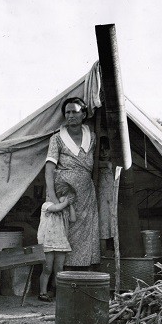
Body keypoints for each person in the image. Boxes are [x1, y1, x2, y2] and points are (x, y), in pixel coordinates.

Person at [45, 96, 101, 270]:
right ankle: (63, 275)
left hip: (86, 194)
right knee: (64, 232)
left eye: (74, 112)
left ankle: (83, 272)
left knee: (86, 234)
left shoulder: (91, 137)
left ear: (83, 114)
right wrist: (54, 199)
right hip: (64, 195)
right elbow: (49, 169)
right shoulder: (57, 139)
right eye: (67, 112)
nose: (70, 116)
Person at [36, 181, 76, 302]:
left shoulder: (64, 208)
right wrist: (65, 202)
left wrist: (70, 205)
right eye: (67, 196)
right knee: (47, 269)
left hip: (61, 241)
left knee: (59, 269)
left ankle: (59, 292)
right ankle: (42, 292)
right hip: (48, 241)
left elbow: (73, 219)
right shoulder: (47, 205)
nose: (68, 199)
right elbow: (56, 207)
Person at [97, 136, 115, 255]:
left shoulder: (114, 162)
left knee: (112, 222)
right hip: (102, 199)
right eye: (101, 150)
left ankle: (111, 250)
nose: (103, 152)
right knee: (103, 222)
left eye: (106, 149)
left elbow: (110, 165)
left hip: (112, 198)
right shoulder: (99, 164)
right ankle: (103, 253)